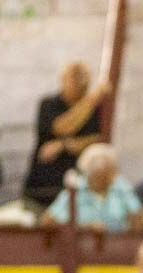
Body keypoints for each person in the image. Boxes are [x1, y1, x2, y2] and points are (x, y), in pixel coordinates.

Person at [23, 61, 106, 207]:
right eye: (75, 78)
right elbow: (63, 127)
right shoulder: (49, 104)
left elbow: (98, 139)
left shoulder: (96, 110)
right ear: (63, 80)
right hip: (44, 186)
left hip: (79, 190)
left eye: (84, 78)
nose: (81, 83)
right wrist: (91, 100)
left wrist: (64, 145)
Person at [42, 143, 143, 231]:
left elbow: (137, 219)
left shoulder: (120, 186)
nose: (111, 177)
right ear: (90, 172)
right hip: (79, 246)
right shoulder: (76, 189)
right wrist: (82, 228)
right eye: (105, 172)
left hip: (117, 245)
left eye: (112, 170)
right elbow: (47, 222)